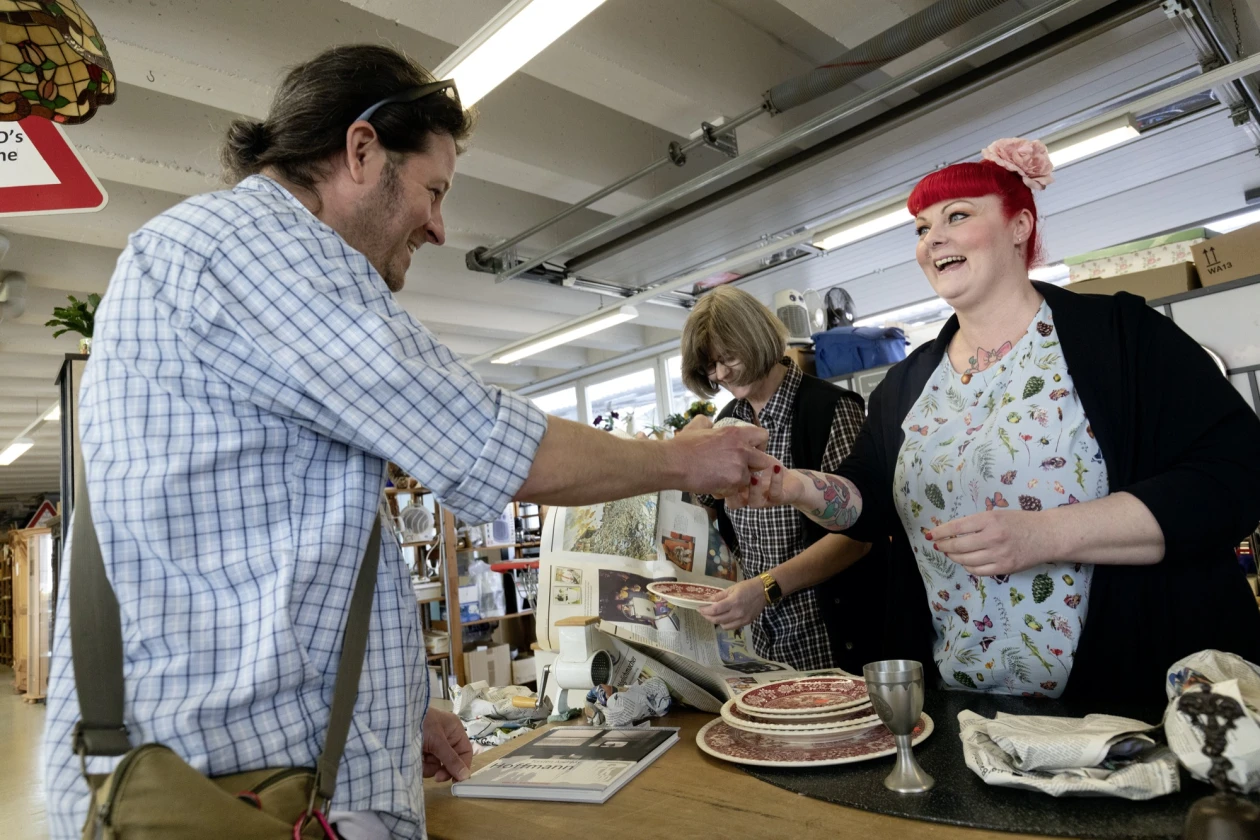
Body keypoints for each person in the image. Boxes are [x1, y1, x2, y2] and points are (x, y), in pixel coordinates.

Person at [43, 45, 773, 840]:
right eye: (433, 189)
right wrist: (683, 457)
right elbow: (486, 443)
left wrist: (389, 709)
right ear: (361, 151)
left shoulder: (218, 255)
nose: (438, 224)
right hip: (231, 789)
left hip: (252, 765)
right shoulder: (259, 248)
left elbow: (282, 540)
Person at [732, 138, 1260, 705]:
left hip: (1132, 701)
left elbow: (1235, 473)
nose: (933, 238)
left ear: (1019, 226)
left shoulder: (1120, 337)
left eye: (957, 216)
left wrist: (1044, 534)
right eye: (921, 228)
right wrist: (794, 485)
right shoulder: (906, 387)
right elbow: (865, 505)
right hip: (969, 711)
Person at [678, 285, 886, 673]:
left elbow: (856, 538)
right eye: (710, 366)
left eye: (728, 358)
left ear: (755, 340)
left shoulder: (830, 410)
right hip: (758, 645)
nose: (720, 374)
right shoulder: (725, 423)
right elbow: (699, 517)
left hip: (830, 641)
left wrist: (766, 588)